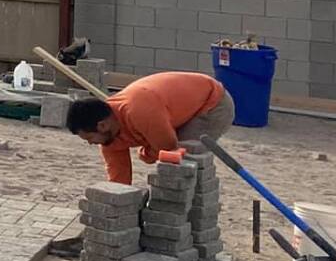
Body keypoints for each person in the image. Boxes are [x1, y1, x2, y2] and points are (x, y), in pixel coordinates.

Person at [64, 70, 235, 185]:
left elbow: (168, 146)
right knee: (173, 158)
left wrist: (148, 153)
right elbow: (119, 177)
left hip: (212, 103)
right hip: (175, 111)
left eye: (89, 138)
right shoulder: (109, 137)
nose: (90, 143)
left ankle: (188, 220)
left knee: (183, 158)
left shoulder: (138, 110)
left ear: (102, 125)